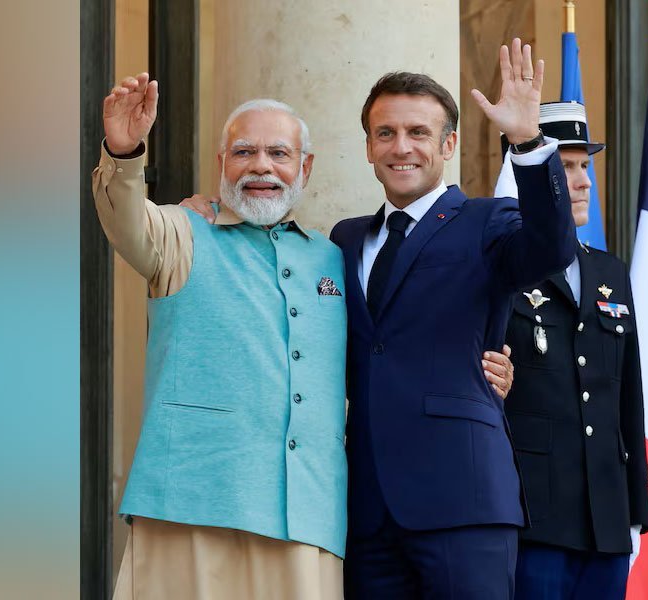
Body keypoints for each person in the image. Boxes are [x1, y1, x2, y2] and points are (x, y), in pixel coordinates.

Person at [92, 75, 514, 599]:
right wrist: (124, 152)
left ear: (305, 167)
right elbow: (125, 220)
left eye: (278, 152)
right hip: (192, 505)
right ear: (222, 163)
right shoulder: (180, 233)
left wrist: (484, 365)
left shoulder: (333, 254)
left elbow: (392, 340)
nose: (261, 166)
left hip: (306, 516)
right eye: (243, 152)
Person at [331, 39, 575, 598]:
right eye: (385, 133)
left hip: (463, 501)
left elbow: (552, 246)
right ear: (368, 147)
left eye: (419, 133)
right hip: (367, 512)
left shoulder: (488, 221)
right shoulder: (344, 239)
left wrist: (528, 143)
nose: (402, 147)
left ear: (450, 144)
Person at [498, 101, 648, 600]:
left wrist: (635, 512)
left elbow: (628, 397)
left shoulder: (611, 271)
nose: (584, 181)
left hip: (605, 523)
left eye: (585, 166)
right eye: (566, 167)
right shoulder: (500, 267)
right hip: (531, 522)